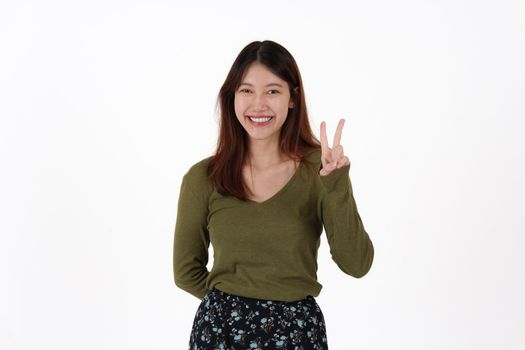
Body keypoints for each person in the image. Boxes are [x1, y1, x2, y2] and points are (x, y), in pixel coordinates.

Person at [173, 40, 374, 349]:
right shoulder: (204, 178)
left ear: (292, 98)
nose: (258, 104)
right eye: (246, 90)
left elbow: (357, 264)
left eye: (272, 91)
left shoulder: (319, 168)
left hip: (296, 334)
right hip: (220, 334)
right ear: (232, 98)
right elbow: (186, 272)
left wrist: (336, 183)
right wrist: (233, 307)